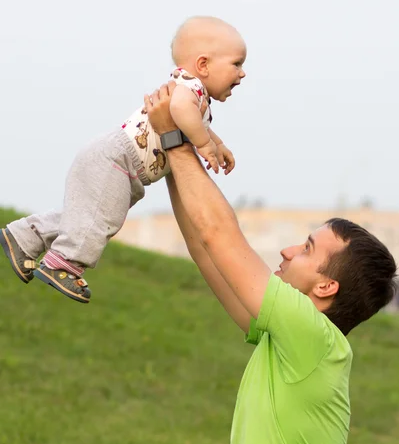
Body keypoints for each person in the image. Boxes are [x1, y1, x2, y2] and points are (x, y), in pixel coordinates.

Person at [142, 83, 398, 444]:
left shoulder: (313, 337)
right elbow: (206, 248)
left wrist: (179, 141)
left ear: (325, 287)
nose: (285, 250)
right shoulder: (289, 343)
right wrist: (169, 149)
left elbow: (222, 235)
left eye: (306, 249)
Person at [0, 16, 245, 303]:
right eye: (237, 64)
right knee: (99, 219)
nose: (242, 74)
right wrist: (203, 144)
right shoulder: (187, 91)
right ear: (203, 65)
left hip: (117, 162)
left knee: (85, 217)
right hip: (118, 160)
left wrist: (218, 144)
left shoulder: (194, 95)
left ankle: (23, 237)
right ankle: (63, 264)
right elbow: (181, 110)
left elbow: (195, 122)